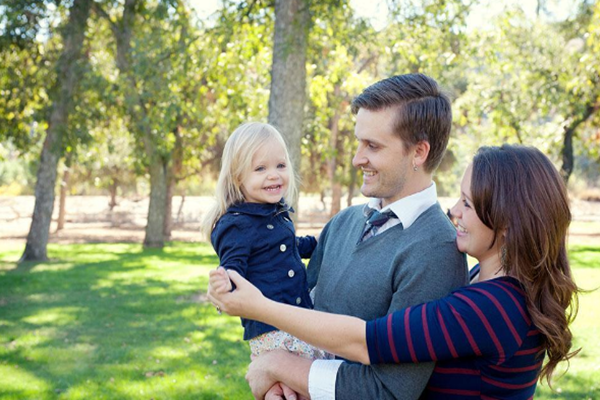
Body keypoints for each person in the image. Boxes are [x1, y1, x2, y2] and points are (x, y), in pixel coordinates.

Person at [209, 144, 580, 400]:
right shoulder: (486, 286)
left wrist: (268, 341)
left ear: (508, 223)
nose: (453, 211)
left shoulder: (490, 308)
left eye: (467, 203)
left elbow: (367, 342)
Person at [212, 73, 469, 399]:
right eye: (359, 142)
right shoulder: (343, 223)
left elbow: (389, 391)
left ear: (418, 152)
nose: (356, 158)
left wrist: (278, 366)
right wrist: (279, 380)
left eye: (372, 146)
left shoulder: (436, 250)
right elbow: (295, 316)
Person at [201, 122, 332, 398]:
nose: (273, 175)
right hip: (274, 329)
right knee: (305, 382)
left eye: (280, 166)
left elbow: (287, 247)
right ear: (238, 178)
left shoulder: (271, 213)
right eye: (260, 169)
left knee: (301, 383)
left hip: (293, 321)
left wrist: (317, 243)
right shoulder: (237, 225)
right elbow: (233, 267)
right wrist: (225, 284)